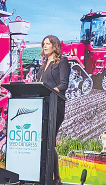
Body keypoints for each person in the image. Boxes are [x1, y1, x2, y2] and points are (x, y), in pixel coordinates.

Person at [37, 35, 70, 185]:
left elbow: (64, 84)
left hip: (55, 105)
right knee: (43, 141)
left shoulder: (62, 62)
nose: (45, 46)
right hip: (42, 106)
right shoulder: (43, 65)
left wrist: (53, 93)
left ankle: (56, 178)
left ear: (54, 46)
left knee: (50, 142)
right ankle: (42, 175)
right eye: (44, 44)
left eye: (48, 44)